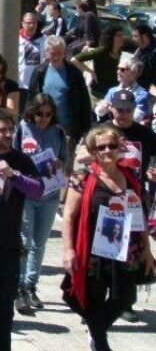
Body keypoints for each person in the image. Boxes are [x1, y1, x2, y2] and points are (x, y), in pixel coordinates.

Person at [61, 126, 156, 351]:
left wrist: (146, 248)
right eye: (100, 147)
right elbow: (68, 217)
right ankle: (101, 345)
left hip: (126, 248)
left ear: (119, 148)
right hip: (92, 248)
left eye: (112, 146)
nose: (106, 151)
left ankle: (95, 330)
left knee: (125, 298)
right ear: (93, 151)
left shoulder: (129, 176)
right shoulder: (82, 178)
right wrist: (68, 250)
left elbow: (138, 214)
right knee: (89, 298)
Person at [0, 108, 44, 351]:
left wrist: (14, 175)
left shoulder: (21, 160)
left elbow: (38, 191)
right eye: (2, 130)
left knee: (3, 305)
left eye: (10, 129)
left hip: (5, 242)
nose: (8, 134)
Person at [14, 93, 69, 314]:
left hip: (50, 194)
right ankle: (19, 287)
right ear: (32, 112)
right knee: (25, 240)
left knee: (40, 242)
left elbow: (65, 157)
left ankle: (30, 284)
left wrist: (59, 163)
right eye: (39, 114)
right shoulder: (23, 128)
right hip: (27, 192)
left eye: (48, 114)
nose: (43, 118)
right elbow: (14, 155)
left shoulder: (58, 132)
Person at [27, 35, 93, 146]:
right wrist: (28, 123)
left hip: (67, 129)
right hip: (43, 127)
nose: (56, 57)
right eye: (53, 53)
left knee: (65, 161)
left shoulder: (73, 72)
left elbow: (84, 101)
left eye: (60, 53)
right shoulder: (39, 71)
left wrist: (85, 129)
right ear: (47, 52)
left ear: (65, 52)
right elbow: (31, 99)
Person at [74, 26, 126, 101]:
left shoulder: (119, 51)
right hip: (98, 92)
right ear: (110, 38)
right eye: (118, 35)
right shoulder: (101, 51)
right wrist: (91, 72)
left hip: (113, 91)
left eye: (122, 35)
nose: (122, 38)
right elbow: (75, 59)